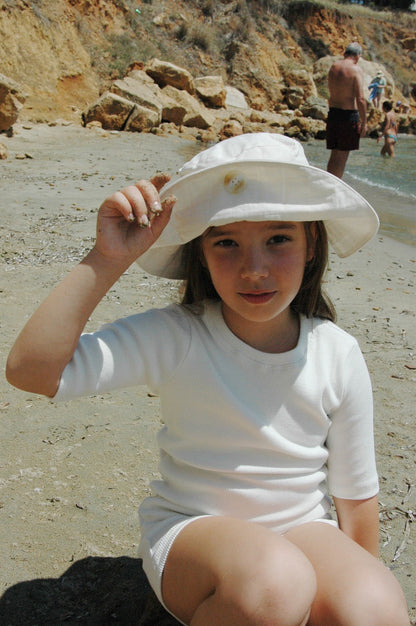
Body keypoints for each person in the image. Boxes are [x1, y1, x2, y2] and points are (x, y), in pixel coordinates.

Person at [6, 133, 410, 626]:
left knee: (376, 605)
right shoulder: (178, 336)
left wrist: (349, 595)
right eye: (226, 243)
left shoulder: (337, 352)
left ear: (311, 244)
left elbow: (355, 497)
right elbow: (31, 371)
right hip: (194, 536)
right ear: (200, 253)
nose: (253, 268)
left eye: (278, 238)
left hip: (304, 532)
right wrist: (108, 258)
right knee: (275, 585)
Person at [326, 42, 367, 179]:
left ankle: (328, 185)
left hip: (333, 114)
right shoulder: (356, 70)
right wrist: (364, 122)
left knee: (334, 155)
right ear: (358, 56)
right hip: (348, 116)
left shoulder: (334, 67)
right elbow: (360, 99)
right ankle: (334, 189)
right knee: (342, 157)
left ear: (345, 53)